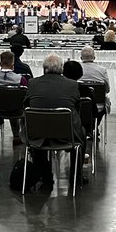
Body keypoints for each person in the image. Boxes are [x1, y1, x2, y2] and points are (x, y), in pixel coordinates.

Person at [23, 55, 86, 190]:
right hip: (67, 134)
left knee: (35, 132)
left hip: (38, 135)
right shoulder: (73, 85)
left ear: (44, 68)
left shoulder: (32, 83)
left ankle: (46, 177)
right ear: (61, 69)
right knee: (81, 135)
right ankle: (76, 177)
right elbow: (77, 109)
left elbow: (26, 106)